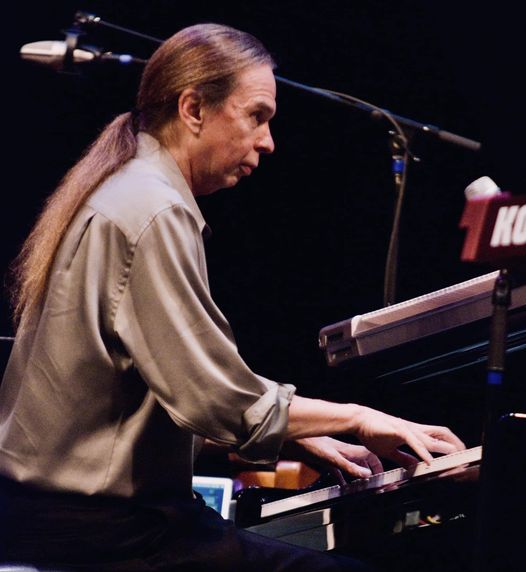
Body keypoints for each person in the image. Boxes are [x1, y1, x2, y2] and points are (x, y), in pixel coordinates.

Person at [0, 23, 465, 571]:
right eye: (257, 116)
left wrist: (295, 439)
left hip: (50, 519)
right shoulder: (153, 209)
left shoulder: (123, 188)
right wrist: (356, 418)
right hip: (109, 533)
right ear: (194, 108)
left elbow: (139, 402)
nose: (268, 141)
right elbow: (215, 400)